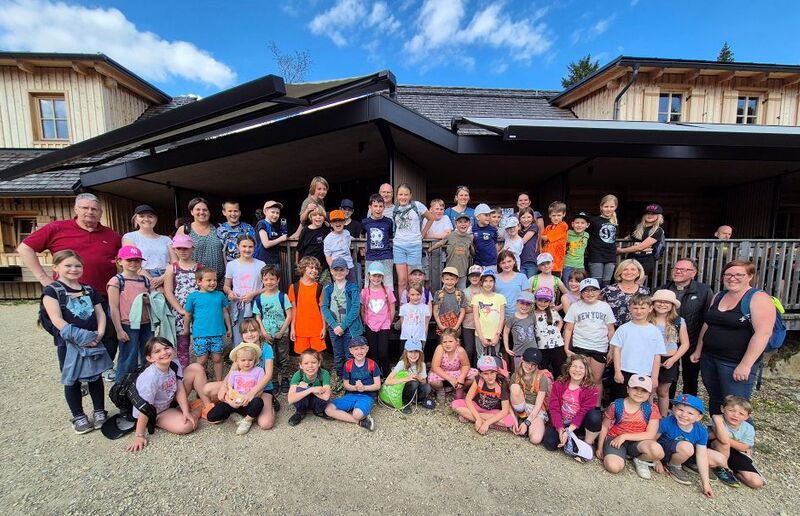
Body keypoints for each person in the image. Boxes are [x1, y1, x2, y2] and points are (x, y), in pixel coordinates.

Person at [19, 193, 121, 369]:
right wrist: (44, 278)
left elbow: (124, 261)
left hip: (101, 296)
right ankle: (74, 375)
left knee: (108, 336)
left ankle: (100, 370)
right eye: (85, 208)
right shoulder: (57, 228)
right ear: (76, 209)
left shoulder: (112, 235)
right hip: (67, 297)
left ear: (100, 212)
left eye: (94, 209)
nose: (90, 212)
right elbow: (24, 248)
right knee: (70, 337)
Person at [690, 260, 776, 414]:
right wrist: (698, 350)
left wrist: (746, 364)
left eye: (738, 275)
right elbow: (708, 324)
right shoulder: (719, 296)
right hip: (710, 358)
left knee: (736, 405)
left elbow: (763, 333)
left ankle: (740, 431)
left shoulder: (758, 298)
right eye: (728, 275)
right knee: (715, 398)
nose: (732, 278)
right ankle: (717, 428)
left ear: (750, 276)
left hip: (735, 361)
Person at [41, 250, 109, 434]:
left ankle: (99, 410)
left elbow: (100, 313)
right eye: (68, 265)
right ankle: (78, 415)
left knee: (95, 376)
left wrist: (99, 334)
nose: (73, 269)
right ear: (56, 268)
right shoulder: (52, 292)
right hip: (69, 344)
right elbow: (57, 319)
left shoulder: (89, 290)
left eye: (77, 266)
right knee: (72, 379)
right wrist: (81, 338)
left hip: (94, 340)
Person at [126, 337, 198, 452]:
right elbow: (144, 408)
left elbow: (179, 388)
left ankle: (190, 409)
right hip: (154, 412)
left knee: (196, 368)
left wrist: (186, 411)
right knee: (187, 425)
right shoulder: (150, 378)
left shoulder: (174, 364)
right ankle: (196, 410)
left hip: (167, 401)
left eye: (166, 348)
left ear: (173, 350)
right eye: (157, 351)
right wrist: (139, 435)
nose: (164, 352)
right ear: (150, 358)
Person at [655, 394, 728, 498]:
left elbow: (702, 455)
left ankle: (688, 464)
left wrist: (706, 484)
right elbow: (652, 440)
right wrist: (656, 460)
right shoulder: (666, 422)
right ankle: (673, 465)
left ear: (699, 417)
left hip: (686, 451)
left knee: (720, 459)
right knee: (687, 448)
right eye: (680, 410)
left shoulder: (701, 430)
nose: (684, 415)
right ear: (673, 409)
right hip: (665, 452)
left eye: (690, 413)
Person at [660, 258, 712, 397]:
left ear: (693, 272)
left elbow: (708, 319)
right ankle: (669, 404)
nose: (678, 271)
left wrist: (700, 347)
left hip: (692, 340)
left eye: (683, 269)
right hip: (668, 341)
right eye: (676, 268)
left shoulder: (704, 291)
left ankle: (688, 405)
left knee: (690, 377)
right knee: (669, 376)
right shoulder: (663, 289)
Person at [597, 375, 664, 479]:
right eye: (635, 388)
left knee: (658, 451)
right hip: (615, 439)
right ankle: (619, 456)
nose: (639, 393)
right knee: (613, 467)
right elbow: (604, 426)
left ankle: (640, 460)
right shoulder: (616, 405)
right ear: (628, 389)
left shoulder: (651, 409)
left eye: (644, 390)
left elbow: (651, 434)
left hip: (638, 442)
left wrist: (624, 436)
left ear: (649, 394)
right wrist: (600, 447)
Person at [563, 278, 616, 396]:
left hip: (600, 346)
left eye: (593, 290)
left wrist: (611, 350)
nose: (590, 293)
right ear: (581, 293)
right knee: (580, 377)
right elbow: (568, 328)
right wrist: (566, 348)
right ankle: (577, 402)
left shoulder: (605, 307)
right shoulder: (575, 306)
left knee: (596, 379)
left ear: (599, 292)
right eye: (586, 290)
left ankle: (596, 405)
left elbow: (611, 329)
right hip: (580, 345)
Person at [107, 245, 151, 384]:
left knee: (148, 355)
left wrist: (149, 300)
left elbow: (153, 299)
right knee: (128, 357)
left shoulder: (144, 280)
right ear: (120, 261)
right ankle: (122, 387)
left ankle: (143, 385)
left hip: (146, 323)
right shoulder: (117, 281)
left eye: (137, 260)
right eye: (129, 260)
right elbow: (114, 308)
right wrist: (119, 330)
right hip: (128, 324)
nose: (133, 263)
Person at [609, 295, 665, 401]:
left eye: (643, 308)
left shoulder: (655, 331)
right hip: (624, 371)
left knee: (641, 400)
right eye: (635, 308)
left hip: (645, 373)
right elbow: (616, 350)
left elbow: (657, 355)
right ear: (629, 308)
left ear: (650, 309)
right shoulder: (623, 329)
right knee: (620, 400)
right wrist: (617, 371)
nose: (639, 311)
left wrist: (654, 377)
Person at [543, 354, 602, 451]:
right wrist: (560, 429)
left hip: (579, 424)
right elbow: (554, 408)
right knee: (549, 444)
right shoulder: (559, 384)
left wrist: (568, 431)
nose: (577, 370)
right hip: (562, 421)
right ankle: (570, 440)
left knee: (595, 416)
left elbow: (583, 412)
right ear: (568, 368)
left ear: (586, 371)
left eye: (581, 368)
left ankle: (587, 443)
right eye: (574, 366)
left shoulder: (591, 389)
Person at [184, 268, 232, 381]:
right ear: (199, 281)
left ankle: (219, 382)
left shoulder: (220, 295)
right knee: (202, 359)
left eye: (214, 280)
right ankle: (200, 382)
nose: (213, 283)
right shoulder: (193, 297)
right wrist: (186, 330)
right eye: (209, 280)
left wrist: (229, 327)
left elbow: (225, 312)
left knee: (217, 358)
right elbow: (188, 315)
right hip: (200, 334)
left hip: (217, 333)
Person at [207, 342, 265, 435]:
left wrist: (248, 398)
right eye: (243, 360)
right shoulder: (234, 373)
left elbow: (260, 390)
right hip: (235, 401)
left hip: (249, 401)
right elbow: (228, 389)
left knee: (258, 402)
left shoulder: (259, 371)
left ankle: (247, 421)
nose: (247, 363)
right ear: (237, 361)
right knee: (211, 416)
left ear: (255, 360)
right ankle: (235, 414)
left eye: (250, 360)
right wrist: (230, 402)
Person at [321, 257, 364, 383]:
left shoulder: (352, 287)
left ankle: (351, 379)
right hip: (334, 328)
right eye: (336, 270)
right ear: (331, 271)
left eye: (341, 270)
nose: (339, 272)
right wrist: (334, 325)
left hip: (350, 328)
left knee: (350, 354)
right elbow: (324, 307)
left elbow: (355, 308)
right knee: (338, 355)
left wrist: (343, 326)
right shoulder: (328, 289)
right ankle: (340, 378)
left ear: (347, 271)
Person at [252, 265, 293, 394]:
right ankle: (273, 380)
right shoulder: (259, 298)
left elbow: (289, 315)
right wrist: (263, 332)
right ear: (262, 280)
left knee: (283, 357)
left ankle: (285, 378)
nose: (269, 282)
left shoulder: (282, 296)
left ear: (278, 280)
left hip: (282, 334)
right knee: (270, 358)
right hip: (267, 334)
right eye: (266, 279)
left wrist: (282, 331)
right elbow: (258, 317)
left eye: (272, 279)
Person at [708, 395, 765, 489]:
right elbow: (722, 440)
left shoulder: (748, 428)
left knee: (757, 483)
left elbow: (744, 447)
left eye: (741, 414)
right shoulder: (718, 419)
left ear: (747, 416)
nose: (735, 415)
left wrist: (724, 437)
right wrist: (717, 421)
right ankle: (722, 469)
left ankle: (734, 471)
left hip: (736, 453)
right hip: (717, 449)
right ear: (722, 409)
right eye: (731, 410)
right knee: (723, 444)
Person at [324, 336, 379, 431]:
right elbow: (346, 384)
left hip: (367, 396)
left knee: (357, 414)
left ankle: (356, 414)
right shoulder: (348, 365)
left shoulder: (372, 364)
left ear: (367, 349)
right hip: (351, 395)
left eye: (362, 348)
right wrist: (355, 388)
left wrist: (364, 388)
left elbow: (377, 385)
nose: (359, 351)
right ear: (351, 351)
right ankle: (360, 422)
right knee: (328, 409)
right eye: (356, 349)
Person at [163, 234, 202, 368]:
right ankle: (184, 371)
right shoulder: (171, 268)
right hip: (179, 311)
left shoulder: (200, 268)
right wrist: (180, 309)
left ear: (192, 249)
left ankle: (200, 369)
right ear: (174, 249)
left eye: (186, 248)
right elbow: (168, 291)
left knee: (200, 342)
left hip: (198, 312)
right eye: (179, 248)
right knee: (182, 344)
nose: (182, 251)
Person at [649, 289, 690, 416]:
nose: (662, 304)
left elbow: (685, 344)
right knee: (649, 390)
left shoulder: (678, 321)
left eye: (666, 302)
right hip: (649, 358)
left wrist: (673, 359)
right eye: (659, 301)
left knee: (663, 392)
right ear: (653, 303)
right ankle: (648, 417)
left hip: (669, 359)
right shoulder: (647, 319)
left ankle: (663, 417)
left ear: (672, 305)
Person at [451, 355, 516, 434]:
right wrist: (478, 418)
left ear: (496, 371)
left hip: (492, 412)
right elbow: (468, 399)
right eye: (485, 374)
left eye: (492, 372)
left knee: (509, 421)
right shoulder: (478, 380)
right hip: (477, 406)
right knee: (455, 404)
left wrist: (487, 423)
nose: (490, 377)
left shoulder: (502, 385)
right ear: (480, 374)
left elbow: (505, 411)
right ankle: (491, 424)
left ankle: (470, 418)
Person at [235, 317, 279, 430]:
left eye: (253, 330)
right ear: (241, 335)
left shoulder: (266, 348)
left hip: (262, 389)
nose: (249, 334)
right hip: (242, 387)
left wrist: (253, 392)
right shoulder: (241, 348)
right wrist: (223, 387)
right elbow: (232, 371)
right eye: (245, 332)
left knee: (265, 423)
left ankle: (271, 404)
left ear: (259, 332)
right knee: (208, 389)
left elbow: (268, 374)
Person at [392, 183, 435, 295]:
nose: (403, 197)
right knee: (402, 280)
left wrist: (422, 234)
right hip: (399, 246)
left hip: (414, 246)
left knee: (413, 280)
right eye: (400, 194)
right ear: (396, 195)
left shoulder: (417, 206)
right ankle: (403, 304)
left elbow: (431, 218)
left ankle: (414, 303)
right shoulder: (394, 209)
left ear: (410, 195)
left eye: (406, 194)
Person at [224, 235, 265, 345]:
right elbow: (226, 286)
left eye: (250, 247)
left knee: (256, 335)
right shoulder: (231, 265)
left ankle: (257, 355)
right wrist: (230, 292)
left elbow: (267, 287)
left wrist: (253, 294)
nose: (247, 249)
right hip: (239, 305)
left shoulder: (261, 264)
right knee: (240, 335)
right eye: (244, 246)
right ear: (238, 246)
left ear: (254, 247)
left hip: (256, 305)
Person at [122, 204, 174, 289]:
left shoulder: (166, 239)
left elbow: (175, 263)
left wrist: (162, 278)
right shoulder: (129, 237)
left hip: (167, 276)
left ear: (155, 219)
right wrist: (153, 282)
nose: (146, 219)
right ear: (136, 219)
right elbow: (132, 262)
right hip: (142, 276)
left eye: (150, 216)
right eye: (142, 216)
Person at [176, 197, 225, 284]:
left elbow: (226, 251)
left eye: (205, 210)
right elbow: (176, 253)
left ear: (209, 212)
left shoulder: (219, 228)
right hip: (193, 281)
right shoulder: (185, 230)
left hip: (217, 280)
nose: (201, 212)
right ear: (192, 212)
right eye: (198, 209)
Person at [509, 348, 550, 444]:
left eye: (533, 364)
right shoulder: (515, 375)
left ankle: (525, 424)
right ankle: (521, 420)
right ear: (522, 359)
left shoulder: (542, 378)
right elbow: (509, 400)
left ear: (537, 365)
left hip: (535, 410)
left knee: (535, 439)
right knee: (514, 387)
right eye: (527, 362)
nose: (529, 366)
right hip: (520, 407)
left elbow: (538, 405)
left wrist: (527, 422)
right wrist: (514, 419)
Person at [361, 262, 396, 376]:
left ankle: (386, 374)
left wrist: (389, 322)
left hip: (384, 326)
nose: (376, 278)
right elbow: (363, 309)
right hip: (370, 325)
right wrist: (365, 322)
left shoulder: (387, 290)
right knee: (373, 353)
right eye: (374, 276)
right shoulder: (365, 292)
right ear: (369, 276)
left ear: (382, 277)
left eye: (379, 276)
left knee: (383, 352)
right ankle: (376, 375)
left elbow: (392, 307)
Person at [384, 339, 436, 413]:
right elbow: (387, 381)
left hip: (415, 389)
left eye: (416, 351)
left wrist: (419, 378)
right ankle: (405, 402)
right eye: (410, 351)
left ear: (420, 353)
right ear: (406, 352)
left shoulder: (422, 364)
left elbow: (424, 382)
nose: (413, 355)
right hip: (403, 390)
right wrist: (407, 378)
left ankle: (417, 400)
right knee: (414, 383)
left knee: (427, 387)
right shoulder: (402, 363)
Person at [288, 257, 326, 355]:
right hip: (300, 329)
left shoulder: (320, 288)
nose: (315, 270)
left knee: (317, 355)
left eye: (316, 268)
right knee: (303, 356)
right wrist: (292, 328)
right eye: (311, 267)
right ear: (303, 268)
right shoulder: (294, 287)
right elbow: (293, 310)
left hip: (317, 329)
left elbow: (322, 309)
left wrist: (324, 327)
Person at [618, 203, 665, 282]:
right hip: (632, 258)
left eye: (653, 214)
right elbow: (628, 238)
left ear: (658, 216)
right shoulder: (638, 227)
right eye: (648, 213)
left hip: (645, 260)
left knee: (638, 284)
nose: (650, 215)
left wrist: (621, 250)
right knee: (626, 282)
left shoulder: (658, 230)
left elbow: (641, 247)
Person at [428, 328, 478, 402]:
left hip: (457, 371)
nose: (447, 344)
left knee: (474, 376)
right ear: (441, 343)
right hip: (442, 372)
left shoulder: (460, 350)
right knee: (434, 382)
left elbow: (466, 365)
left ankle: (459, 388)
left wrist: (461, 378)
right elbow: (435, 367)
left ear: (457, 342)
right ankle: (440, 390)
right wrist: (450, 378)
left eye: (450, 341)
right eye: (444, 342)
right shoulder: (440, 348)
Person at [287, 350, 332, 426]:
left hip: (317, 400)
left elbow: (326, 396)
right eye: (306, 363)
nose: (310, 366)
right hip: (304, 399)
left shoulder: (324, 373)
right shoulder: (298, 375)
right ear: (301, 365)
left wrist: (307, 387)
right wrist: (311, 389)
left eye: (313, 362)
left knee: (323, 390)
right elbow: (290, 399)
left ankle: (318, 411)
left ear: (319, 363)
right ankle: (300, 412)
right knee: (299, 389)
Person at [429, 213, 474, 289]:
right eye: (460, 222)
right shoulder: (450, 235)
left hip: (462, 271)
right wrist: (430, 249)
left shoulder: (470, 237)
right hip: (450, 270)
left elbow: (472, 251)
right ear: (456, 224)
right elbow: (440, 243)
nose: (463, 224)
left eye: (465, 222)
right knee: (446, 290)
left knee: (461, 291)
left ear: (469, 224)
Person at [601, 259, 650, 326]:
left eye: (633, 269)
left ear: (638, 273)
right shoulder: (608, 290)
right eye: (625, 269)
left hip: (638, 328)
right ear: (620, 272)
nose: (629, 272)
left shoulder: (644, 291)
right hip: (613, 329)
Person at [361, 193, 394, 290]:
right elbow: (362, 235)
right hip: (371, 256)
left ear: (384, 207)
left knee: (388, 284)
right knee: (369, 284)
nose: (378, 209)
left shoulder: (388, 221)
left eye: (380, 206)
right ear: (370, 207)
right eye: (375, 206)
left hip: (386, 256)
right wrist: (362, 247)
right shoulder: (365, 222)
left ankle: (388, 300)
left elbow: (390, 235)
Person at [532, 287, 566, 378]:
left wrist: (558, 330)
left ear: (549, 302)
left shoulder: (553, 311)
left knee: (558, 369)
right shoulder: (533, 314)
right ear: (535, 300)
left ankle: (558, 386)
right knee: (543, 371)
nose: (542, 303)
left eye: (546, 301)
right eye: (540, 300)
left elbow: (560, 321)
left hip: (557, 346)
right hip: (542, 347)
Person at [586, 194, 619, 288]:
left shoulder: (615, 222)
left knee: (606, 283)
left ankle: (604, 298)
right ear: (601, 207)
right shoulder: (594, 220)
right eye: (606, 206)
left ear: (615, 207)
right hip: (596, 255)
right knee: (596, 282)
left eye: (611, 206)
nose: (608, 209)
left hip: (610, 255)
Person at [471, 271, 506, 357]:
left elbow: (502, 318)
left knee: (495, 358)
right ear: (481, 283)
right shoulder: (476, 298)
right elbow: (476, 319)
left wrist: (497, 336)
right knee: (481, 359)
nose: (488, 284)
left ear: (494, 283)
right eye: (485, 281)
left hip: (495, 335)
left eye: (491, 281)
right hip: (480, 334)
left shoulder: (500, 298)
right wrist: (481, 338)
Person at [295, 206, 331, 285]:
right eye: (315, 215)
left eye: (320, 215)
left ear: (324, 218)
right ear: (310, 217)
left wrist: (328, 224)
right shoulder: (305, 230)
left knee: (326, 289)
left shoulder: (326, 228)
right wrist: (297, 263)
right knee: (309, 287)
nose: (318, 217)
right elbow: (298, 248)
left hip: (323, 266)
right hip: (309, 267)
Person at [503, 291, 538, 369]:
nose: (524, 306)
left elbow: (535, 330)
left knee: (532, 371)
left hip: (533, 351)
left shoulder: (532, 316)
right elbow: (506, 332)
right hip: (519, 352)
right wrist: (507, 348)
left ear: (531, 306)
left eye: (528, 304)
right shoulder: (511, 318)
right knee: (519, 372)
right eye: (522, 303)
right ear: (517, 303)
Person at [494, 250, 530, 326]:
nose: (506, 265)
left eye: (509, 261)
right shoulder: (495, 278)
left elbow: (527, 297)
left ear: (514, 261)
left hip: (518, 316)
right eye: (503, 263)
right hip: (499, 316)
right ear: (499, 265)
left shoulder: (522, 277)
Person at [255, 200, 289, 272]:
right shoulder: (262, 224)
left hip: (274, 261)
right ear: (265, 211)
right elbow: (266, 244)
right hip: (264, 262)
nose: (275, 215)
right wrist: (281, 239)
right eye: (273, 212)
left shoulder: (274, 226)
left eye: (277, 213)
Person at [324, 210, 356, 283]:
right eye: (334, 221)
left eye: (340, 220)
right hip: (337, 269)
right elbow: (328, 256)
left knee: (352, 286)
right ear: (331, 224)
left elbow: (348, 244)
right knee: (339, 287)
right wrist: (332, 269)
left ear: (344, 222)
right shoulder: (328, 239)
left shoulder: (347, 233)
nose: (337, 223)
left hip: (349, 266)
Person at [433, 267, 467, 335]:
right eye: (447, 279)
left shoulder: (460, 294)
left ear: (457, 280)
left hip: (456, 327)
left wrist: (456, 327)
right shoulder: (438, 294)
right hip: (442, 326)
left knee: (454, 341)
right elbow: (435, 311)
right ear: (442, 279)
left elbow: (462, 312)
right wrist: (440, 325)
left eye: (452, 279)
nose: (449, 282)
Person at [540, 202, 568, 278]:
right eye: (553, 215)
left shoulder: (563, 226)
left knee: (555, 283)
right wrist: (543, 236)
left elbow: (545, 237)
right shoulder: (548, 227)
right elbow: (542, 237)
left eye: (559, 215)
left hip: (556, 264)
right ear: (550, 215)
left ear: (564, 214)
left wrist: (543, 236)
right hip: (545, 262)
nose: (556, 218)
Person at [461, 265, 483, 365]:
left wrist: (472, 307)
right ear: (469, 278)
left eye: (477, 275)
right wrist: (478, 308)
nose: (474, 278)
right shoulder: (464, 292)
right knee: (469, 349)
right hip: (468, 324)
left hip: (482, 324)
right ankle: (468, 369)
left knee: (480, 350)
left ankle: (479, 369)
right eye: (472, 276)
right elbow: (463, 309)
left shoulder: (484, 290)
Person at [472, 203, 499, 274]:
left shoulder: (493, 230)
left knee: (491, 280)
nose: (488, 217)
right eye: (486, 215)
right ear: (477, 217)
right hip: (478, 263)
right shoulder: (473, 229)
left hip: (491, 263)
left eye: (489, 215)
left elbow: (495, 245)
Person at [563, 212, 590, 281]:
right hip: (567, 265)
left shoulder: (586, 235)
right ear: (572, 224)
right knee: (568, 285)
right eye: (577, 223)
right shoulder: (567, 233)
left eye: (582, 223)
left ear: (587, 225)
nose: (579, 225)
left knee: (580, 285)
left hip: (580, 266)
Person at [517, 207, 541, 279]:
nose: (526, 220)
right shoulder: (519, 230)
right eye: (523, 217)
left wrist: (516, 232)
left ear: (533, 218)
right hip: (520, 261)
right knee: (522, 282)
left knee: (530, 283)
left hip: (531, 261)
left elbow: (522, 241)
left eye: (529, 217)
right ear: (519, 219)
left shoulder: (534, 227)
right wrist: (517, 230)